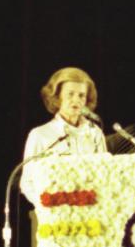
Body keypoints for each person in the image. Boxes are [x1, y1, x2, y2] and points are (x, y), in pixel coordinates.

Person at [19, 66, 108, 203]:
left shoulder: (95, 133)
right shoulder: (40, 135)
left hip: (91, 212)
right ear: (57, 97)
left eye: (81, 95)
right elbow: (27, 182)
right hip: (54, 216)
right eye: (70, 94)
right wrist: (47, 206)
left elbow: (105, 175)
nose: (76, 100)